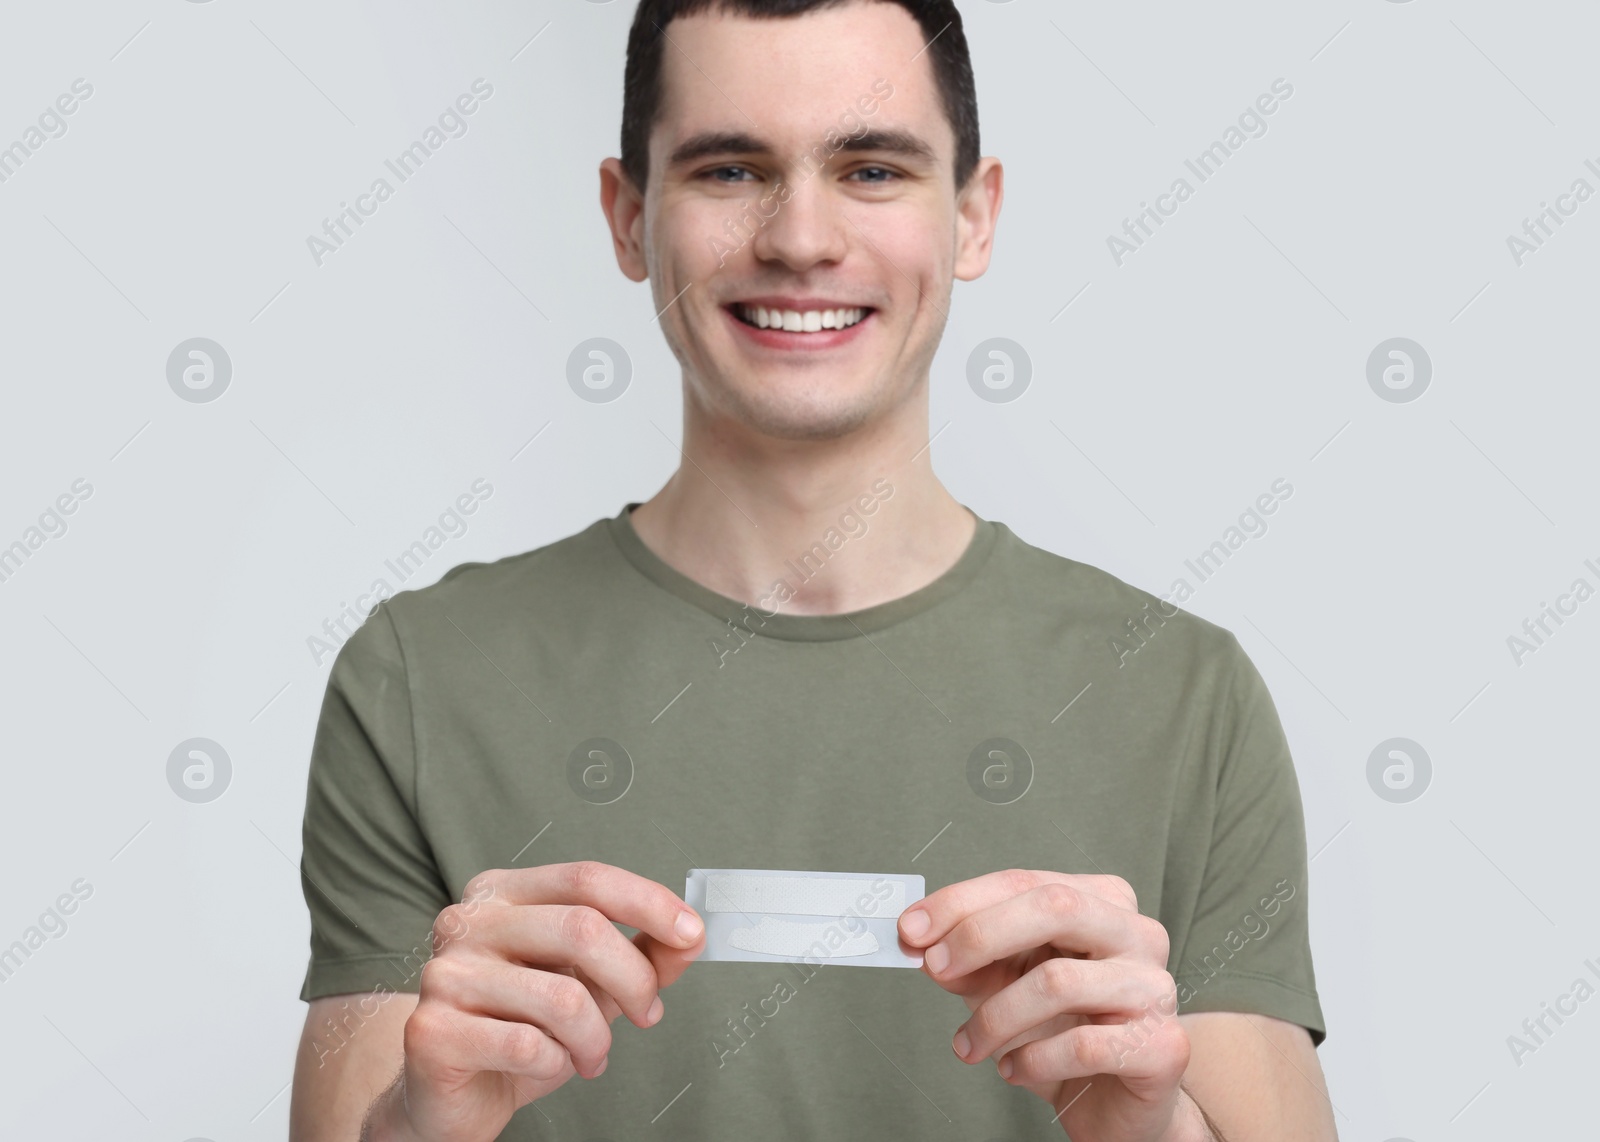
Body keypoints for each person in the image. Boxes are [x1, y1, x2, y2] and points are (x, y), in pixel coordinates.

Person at [289, 1, 1336, 1138]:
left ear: (973, 218)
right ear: (629, 216)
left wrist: (1147, 1122)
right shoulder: (419, 681)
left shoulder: (1183, 699)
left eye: (872, 168)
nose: (799, 237)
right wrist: (424, 1122)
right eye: (731, 169)